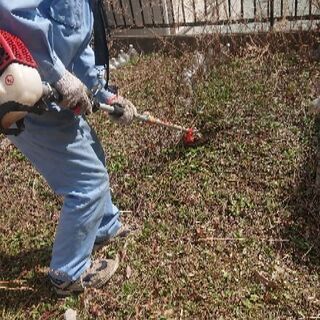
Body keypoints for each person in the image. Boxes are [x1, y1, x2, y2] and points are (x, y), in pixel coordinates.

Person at [0, 0, 136, 296]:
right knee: (86, 182)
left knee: (93, 154)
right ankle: (68, 273)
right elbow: (11, 12)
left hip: (56, 98)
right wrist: (57, 73)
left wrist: (105, 95)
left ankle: (105, 225)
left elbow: (76, 42)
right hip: (28, 98)